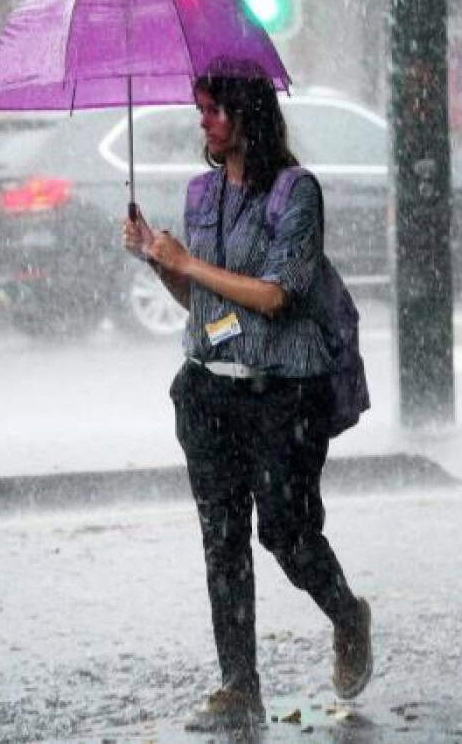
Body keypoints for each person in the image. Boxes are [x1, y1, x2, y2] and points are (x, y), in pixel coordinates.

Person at [121, 65, 373, 732]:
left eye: (213, 110)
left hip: (283, 396)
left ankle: (347, 614)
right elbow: (202, 302)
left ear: (247, 117)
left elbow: (274, 295)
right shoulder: (201, 194)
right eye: (200, 109)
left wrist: (186, 262)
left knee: (286, 533)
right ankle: (239, 685)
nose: (203, 121)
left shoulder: (297, 192)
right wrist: (156, 257)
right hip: (209, 390)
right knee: (221, 539)